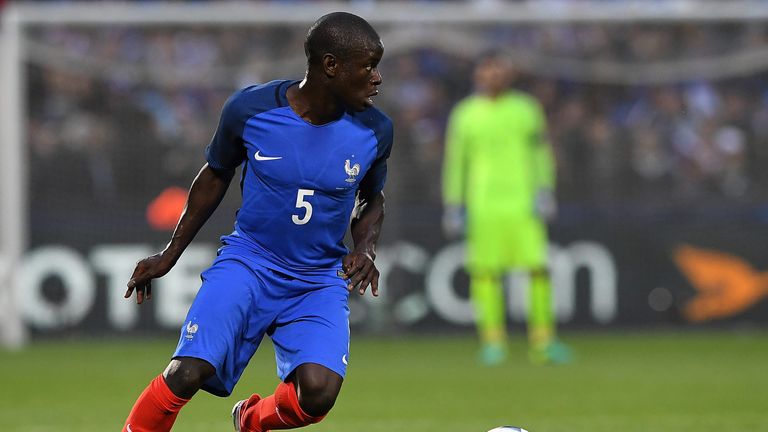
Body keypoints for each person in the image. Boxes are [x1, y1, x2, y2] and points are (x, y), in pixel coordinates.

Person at [121, 12, 392, 432]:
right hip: (251, 262)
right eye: (368, 65)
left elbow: (371, 199)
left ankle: (251, 420)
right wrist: (169, 255)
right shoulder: (251, 109)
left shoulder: (375, 130)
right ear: (330, 66)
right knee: (186, 372)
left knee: (318, 395)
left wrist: (365, 248)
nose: (377, 78)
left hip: (318, 277)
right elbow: (214, 177)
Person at [441, 52, 569, 366]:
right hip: (482, 204)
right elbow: (456, 162)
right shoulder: (465, 114)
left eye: (499, 70)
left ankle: (543, 340)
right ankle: (493, 342)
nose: (494, 76)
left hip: (523, 202)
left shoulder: (526, 109)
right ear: (479, 75)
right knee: (486, 272)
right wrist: (454, 203)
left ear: (508, 74)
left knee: (537, 268)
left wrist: (545, 190)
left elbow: (540, 153)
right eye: (488, 70)